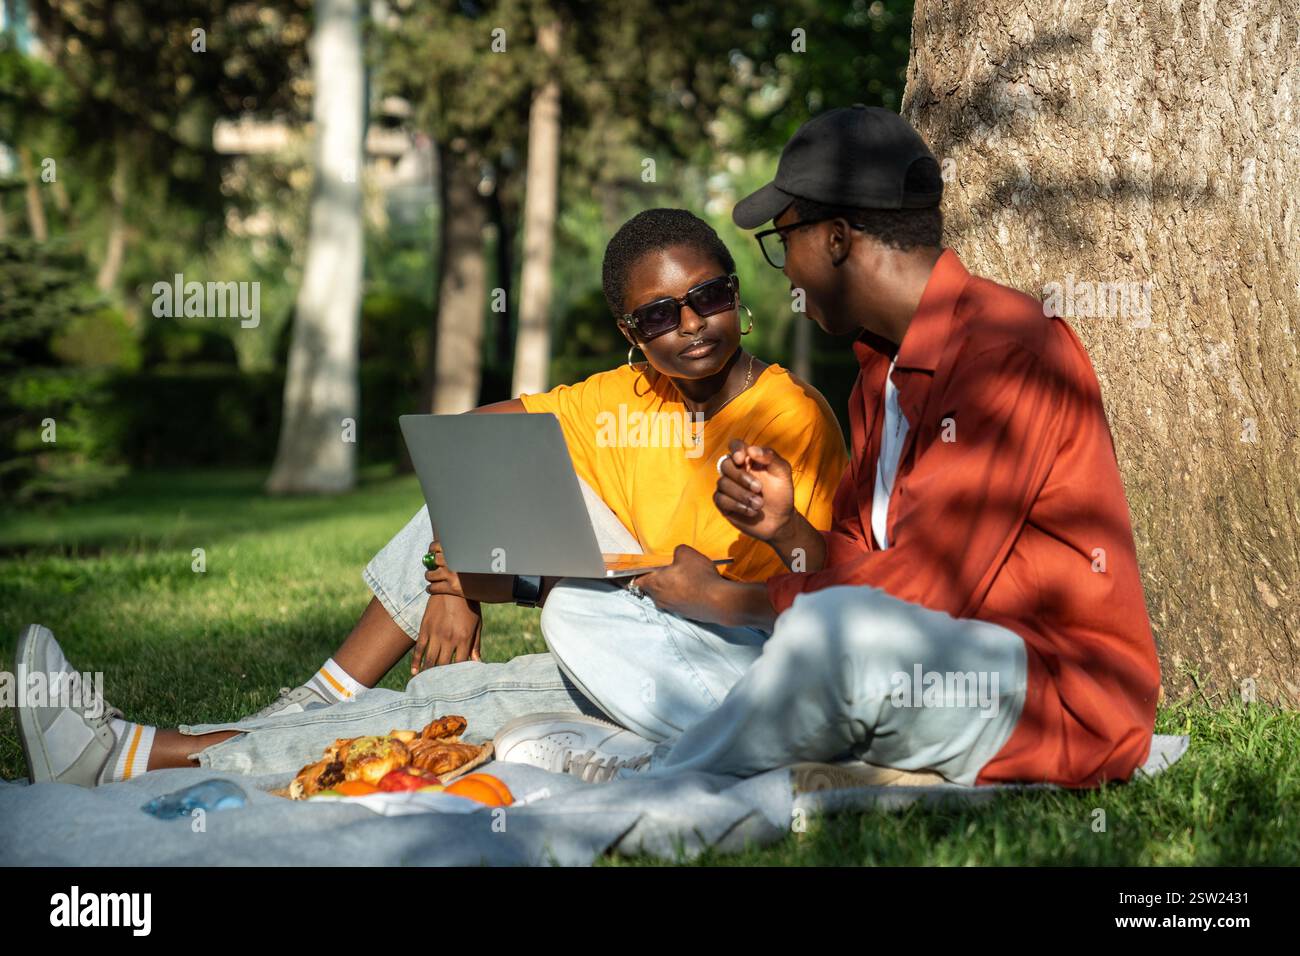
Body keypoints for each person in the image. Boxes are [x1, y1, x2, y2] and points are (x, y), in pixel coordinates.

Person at [17, 208, 849, 787]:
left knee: (454, 701)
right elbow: (472, 439)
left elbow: (817, 600)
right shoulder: (630, 393)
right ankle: (306, 701)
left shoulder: (791, 417)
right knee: (451, 533)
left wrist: (703, 592)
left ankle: (150, 752)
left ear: (737, 292)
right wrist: (453, 579)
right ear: (631, 335)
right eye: (662, 313)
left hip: (707, 656)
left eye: (711, 295)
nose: (695, 323)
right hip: (623, 607)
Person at [491, 106, 1163, 789]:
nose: (786, 275)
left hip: (1045, 701)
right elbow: (863, 566)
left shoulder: (1005, 351)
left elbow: (924, 593)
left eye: (786, 242)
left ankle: (665, 777)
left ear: (837, 239)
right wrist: (785, 531)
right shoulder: (881, 373)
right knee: (582, 609)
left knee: (833, 633)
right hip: (883, 666)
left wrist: (730, 601)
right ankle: (747, 746)